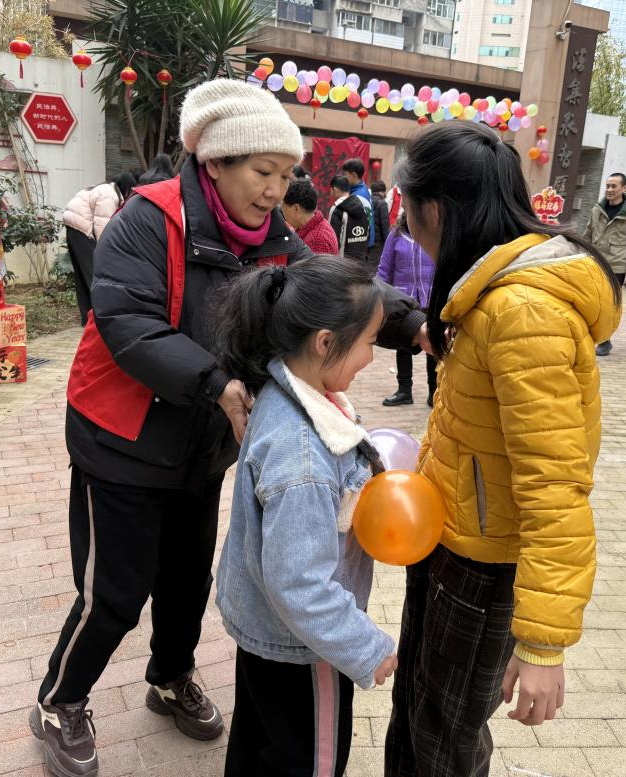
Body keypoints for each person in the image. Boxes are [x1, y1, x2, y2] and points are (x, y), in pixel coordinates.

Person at [31, 79, 425, 777]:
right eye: (263, 172)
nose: (276, 190)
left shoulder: (270, 236)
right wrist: (216, 383)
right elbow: (126, 322)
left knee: (186, 576)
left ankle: (169, 676)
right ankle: (60, 700)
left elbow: (337, 292)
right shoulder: (149, 219)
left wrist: (415, 324)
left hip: (202, 440)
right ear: (214, 162)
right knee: (115, 591)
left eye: (286, 175)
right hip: (122, 438)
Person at [384, 122, 622, 777]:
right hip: (450, 540)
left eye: (407, 208)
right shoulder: (486, 293)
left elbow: (554, 484)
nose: (406, 226)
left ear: (435, 209)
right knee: (419, 711)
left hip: (484, 568)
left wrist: (543, 642)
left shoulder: (522, 313)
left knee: (445, 741)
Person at [214, 256, 398, 777]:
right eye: (369, 341)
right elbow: (299, 584)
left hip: (265, 630)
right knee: (309, 760)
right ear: (324, 342)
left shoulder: (287, 394)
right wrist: (367, 648)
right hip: (306, 647)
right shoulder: (305, 457)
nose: (370, 357)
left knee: (258, 742)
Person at [376, 213, 437, 407]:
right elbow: (384, 269)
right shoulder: (396, 235)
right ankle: (404, 390)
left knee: (433, 345)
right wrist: (380, 298)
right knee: (403, 345)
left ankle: (434, 392)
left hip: (431, 298)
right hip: (403, 301)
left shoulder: (434, 234)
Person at [61, 172, 137, 324]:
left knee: (82, 277)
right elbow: (103, 226)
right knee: (94, 275)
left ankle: (88, 318)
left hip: (74, 228)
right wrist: (106, 251)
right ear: (127, 186)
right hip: (83, 231)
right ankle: (101, 318)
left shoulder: (103, 188)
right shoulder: (110, 196)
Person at [582, 172, 626, 356]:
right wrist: (580, 254)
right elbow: (588, 234)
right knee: (592, 301)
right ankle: (591, 336)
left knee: (609, 305)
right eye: (607, 186)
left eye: (614, 186)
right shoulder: (597, 209)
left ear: (624, 188)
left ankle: (605, 340)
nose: (609, 189)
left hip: (617, 266)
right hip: (595, 262)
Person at [282, 178, 339, 255]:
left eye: (284, 209)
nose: (283, 214)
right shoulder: (311, 227)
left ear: (296, 208)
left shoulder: (317, 240)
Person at [330, 176, 370, 261]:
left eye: (330, 190)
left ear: (335, 190)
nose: (330, 193)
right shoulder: (362, 206)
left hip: (342, 263)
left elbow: (332, 239)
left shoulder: (336, 209)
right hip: (360, 262)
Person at [341, 158, 374, 249]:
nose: (344, 178)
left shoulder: (359, 195)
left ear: (354, 175)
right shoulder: (360, 189)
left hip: (360, 243)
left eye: (345, 174)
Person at [368, 180, 391, 268]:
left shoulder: (367, 200)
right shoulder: (382, 203)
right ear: (383, 192)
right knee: (374, 266)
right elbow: (385, 227)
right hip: (377, 242)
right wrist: (388, 244)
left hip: (368, 239)